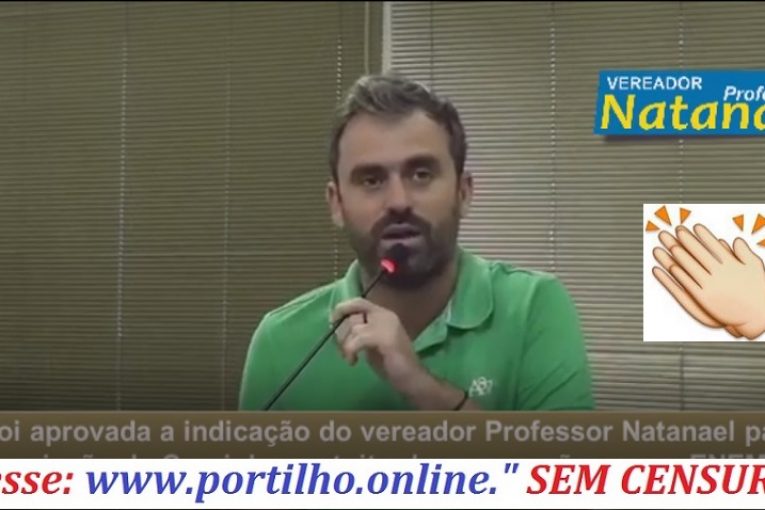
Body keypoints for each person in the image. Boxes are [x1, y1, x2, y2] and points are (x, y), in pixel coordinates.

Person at [239, 73, 594, 411]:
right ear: (336, 203)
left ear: (463, 192)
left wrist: (420, 385)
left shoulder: (533, 307)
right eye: (371, 180)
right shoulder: (280, 341)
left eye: (421, 174)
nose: (398, 201)